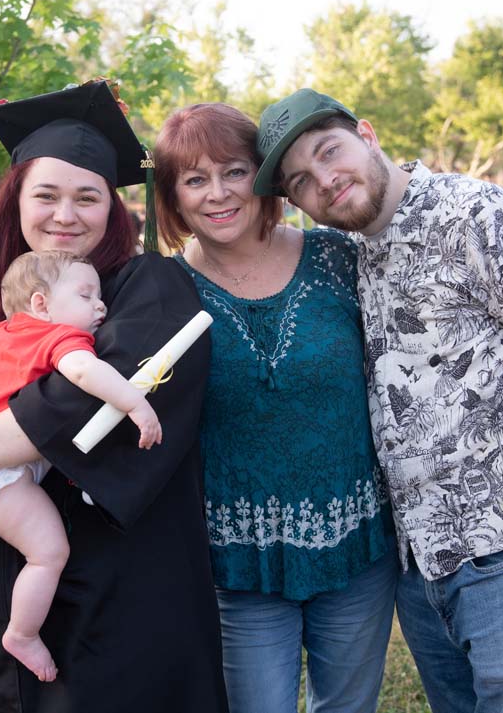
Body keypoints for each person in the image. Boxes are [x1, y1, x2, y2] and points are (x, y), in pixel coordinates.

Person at [0, 81, 229, 713]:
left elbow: (97, 396)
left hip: (110, 602)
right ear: (15, 200)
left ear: (113, 209)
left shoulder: (146, 286)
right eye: (45, 195)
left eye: (87, 197)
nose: (65, 215)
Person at [253, 89, 503, 713]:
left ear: (367, 134)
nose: (325, 181)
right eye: (300, 181)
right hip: (419, 565)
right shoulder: (353, 252)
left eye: (329, 151)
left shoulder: (477, 214)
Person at [152, 103, 397, 713]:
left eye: (234, 172)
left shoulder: (338, 258)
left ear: (264, 178)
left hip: (356, 548)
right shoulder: (162, 293)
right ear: (174, 197)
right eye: (195, 179)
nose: (217, 193)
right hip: (239, 565)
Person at [0, 249, 162, 682]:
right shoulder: (60, 338)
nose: (100, 306)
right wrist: (135, 402)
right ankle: (22, 633)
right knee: (48, 552)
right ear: (41, 304)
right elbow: (84, 373)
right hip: (0, 477)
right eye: (85, 295)